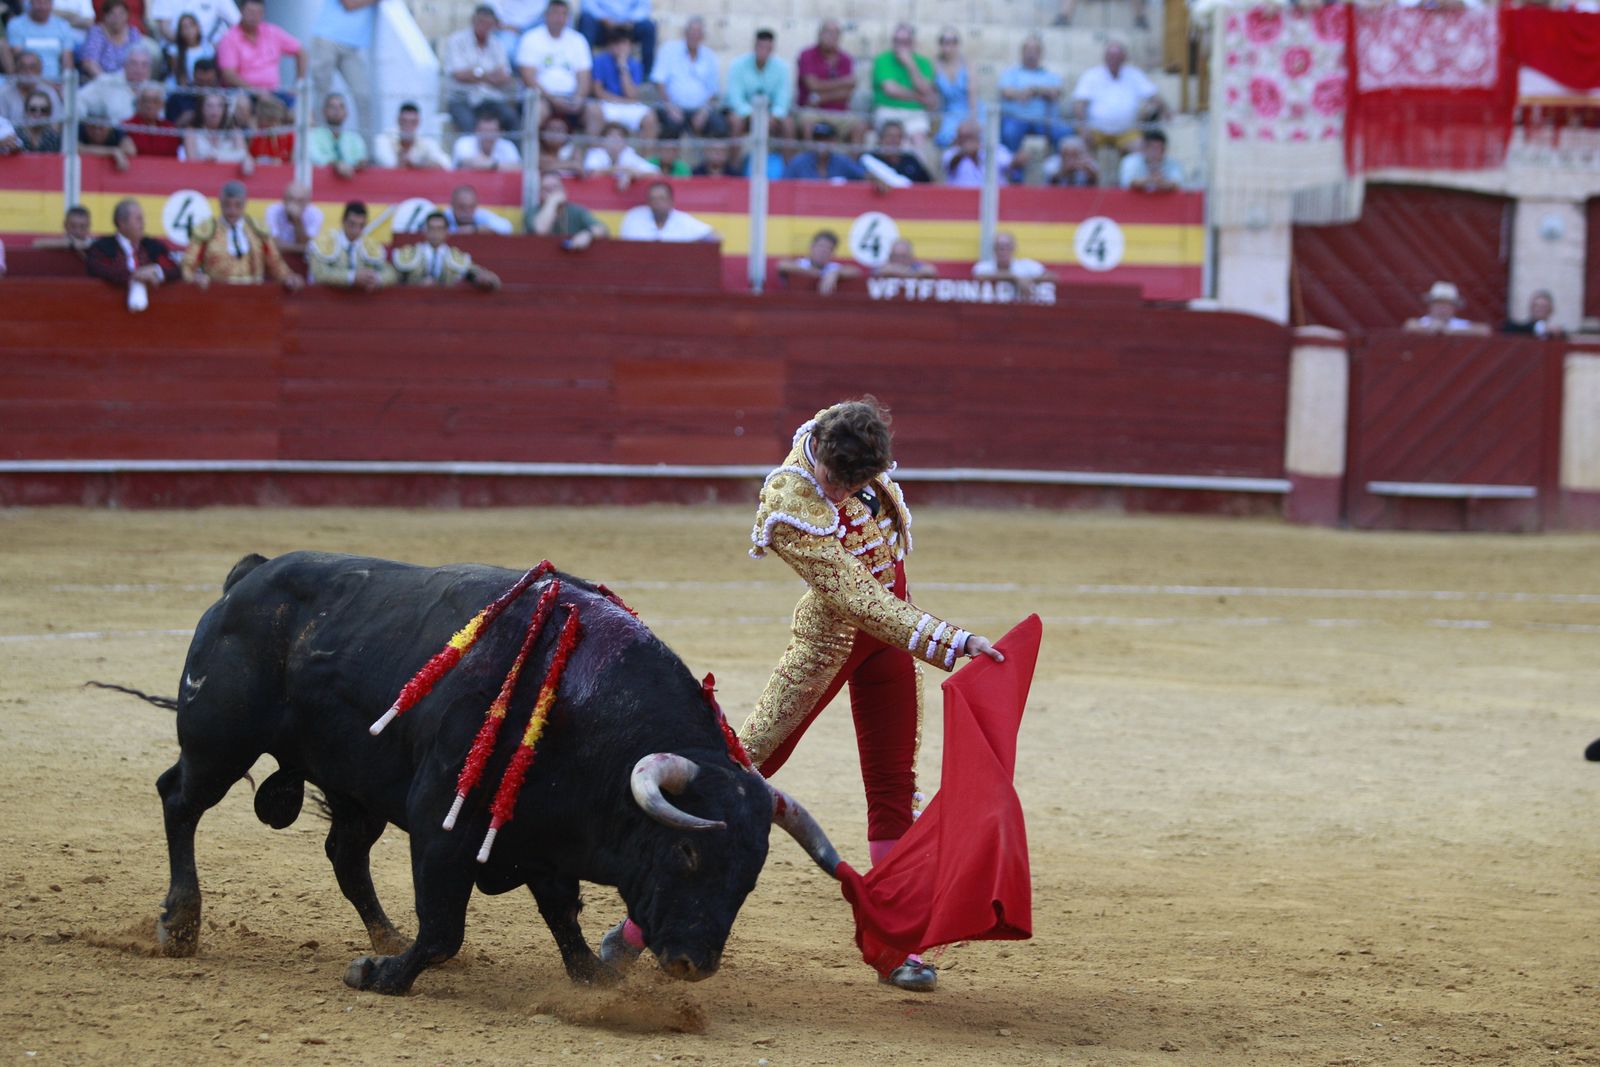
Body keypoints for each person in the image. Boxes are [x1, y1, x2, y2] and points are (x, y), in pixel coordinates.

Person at [598, 398, 1006, 992]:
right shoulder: (788, 504)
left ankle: (895, 949)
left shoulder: (856, 450)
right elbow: (858, 599)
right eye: (836, 481)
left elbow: (885, 582)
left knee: (892, 790)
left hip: (887, 640)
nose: (840, 493)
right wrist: (954, 641)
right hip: (829, 648)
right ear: (824, 459)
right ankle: (636, 928)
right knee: (739, 771)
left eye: (855, 483)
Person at [182, 178, 301, 289]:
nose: (232, 211)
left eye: (237, 205)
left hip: (253, 294)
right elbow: (187, 265)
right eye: (227, 205)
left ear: (245, 203)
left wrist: (288, 276)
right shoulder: (207, 230)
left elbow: (275, 263)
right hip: (217, 294)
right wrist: (195, 278)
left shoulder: (257, 230)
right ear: (220, 203)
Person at [1072, 40, 1165, 155]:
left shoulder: (1135, 75)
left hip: (1127, 132)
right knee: (1076, 150)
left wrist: (1165, 111)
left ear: (1124, 59)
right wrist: (1083, 128)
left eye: (1117, 57)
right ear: (1105, 58)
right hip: (1096, 131)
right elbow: (1079, 104)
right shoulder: (1091, 75)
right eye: (1111, 57)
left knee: (1144, 151)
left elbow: (1153, 96)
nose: (1114, 60)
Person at [85, 197, 181, 304]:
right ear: (122, 223)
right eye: (138, 219)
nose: (143, 223)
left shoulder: (153, 246)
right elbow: (98, 269)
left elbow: (176, 269)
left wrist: (156, 270)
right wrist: (135, 275)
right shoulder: (103, 247)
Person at [442, 4, 519, 134]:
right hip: (462, 98)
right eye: (481, 22)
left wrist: (475, 73)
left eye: (488, 23)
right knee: (468, 126)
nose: (484, 26)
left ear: (494, 25)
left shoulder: (497, 44)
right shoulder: (456, 41)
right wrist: (489, 75)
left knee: (512, 120)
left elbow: (504, 77)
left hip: (490, 98)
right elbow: (459, 75)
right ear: (473, 20)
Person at [516, 0, 590, 131]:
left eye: (563, 14)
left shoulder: (579, 40)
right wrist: (553, 99)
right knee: (537, 110)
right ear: (546, 15)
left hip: (571, 98)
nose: (559, 19)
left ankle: (588, 151)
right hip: (542, 98)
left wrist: (578, 100)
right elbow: (528, 78)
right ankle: (530, 151)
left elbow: (584, 76)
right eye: (555, 14)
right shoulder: (531, 38)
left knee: (594, 112)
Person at [308, 0, 376, 140]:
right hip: (326, 40)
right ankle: (321, 145)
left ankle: (365, 152)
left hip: (353, 46)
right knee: (322, 95)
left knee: (363, 96)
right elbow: (349, 4)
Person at [650, 14, 723, 139]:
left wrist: (703, 112)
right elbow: (659, 82)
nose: (694, 35)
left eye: (698, 32)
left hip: (700, 110)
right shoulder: (669, 49)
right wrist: (670, 108)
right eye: (691, 31)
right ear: (684, 32)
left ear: (703, 36)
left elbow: (713, 91)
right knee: (672, 126)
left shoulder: (710, 56)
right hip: (671, 108)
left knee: (720, 127)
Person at [997, 34, 1071, 153]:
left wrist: (1033, 91)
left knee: (1065, 134)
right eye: (1028, 50)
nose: (1031, 54)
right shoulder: (1010, 73)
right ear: (1022, 52)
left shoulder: (1050, 76)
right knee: (1008, 133)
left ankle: (1055, 169)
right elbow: (1006, 92)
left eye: (1035, 50)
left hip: (1044, 122)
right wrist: (1037, 93)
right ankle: (1012, 170)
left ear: (1041, 54)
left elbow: (1056, 92)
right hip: (1016, 119)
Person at [393, 209, 501, 289]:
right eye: (431, 228)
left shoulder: (457, 257)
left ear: (447, 232)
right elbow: (392, 274)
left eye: (439, 228)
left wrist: (488, 280)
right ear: (424, 231)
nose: (435, 233)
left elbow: (474, 273)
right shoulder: (409, 254)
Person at [585, 24, 658, 140]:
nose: (620, 48)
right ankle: (595, 154)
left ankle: (645, 158)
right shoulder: (600, 61)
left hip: (628, 106)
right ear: (610, 45)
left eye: (623, 43)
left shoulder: (635, 65)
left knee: (650, 117)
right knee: (593, 110)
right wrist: (621, 101)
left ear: (629, 45)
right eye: (616, 44)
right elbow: (598, 91)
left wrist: (623, 67)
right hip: (608, 104)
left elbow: (632, 94)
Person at [217, 0, 304, 93]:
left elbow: (300, 51)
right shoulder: (230, 38)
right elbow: (228, 75)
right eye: (250, 12)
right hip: (244, 93)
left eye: (258, 13)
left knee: (292, 101)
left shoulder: (272, 32)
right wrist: (255, 92)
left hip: (274, 91)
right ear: (241, 11)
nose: (254, 16)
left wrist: (298, 84)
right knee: (243, 104)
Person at [870, 22, 937, 143]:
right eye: (897, 41)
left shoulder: (924, 63)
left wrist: (910, 65)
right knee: (892, 138)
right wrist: (919, 98)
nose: (900, 46)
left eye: (905, 42)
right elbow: (891, 89)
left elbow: (925, 89)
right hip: (888, 109)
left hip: (914, 112)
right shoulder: (882, 59)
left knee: (919, 141)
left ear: (912, 43)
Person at [795, 18, 859, 143]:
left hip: (839, 113)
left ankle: (852, 163)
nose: (832, 36)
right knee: (807, 123)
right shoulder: (807, 54)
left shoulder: (846, 59)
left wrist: (820, 97)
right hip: (812, 112)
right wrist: (843, 82)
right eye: (828, 32)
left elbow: (847, 93)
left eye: (835, 33)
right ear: (819, 34)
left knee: (859, 126)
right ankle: (809, 162)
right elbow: (812, 85)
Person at [725, 28, 793, 140]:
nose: (763, 51)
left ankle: (790, 158)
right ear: (754, 46)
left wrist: (774, 116)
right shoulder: (738, 65)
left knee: (788, 124)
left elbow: (783, 98)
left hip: (770, 115)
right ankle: (734, 158)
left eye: (767, 48)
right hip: (744, 114)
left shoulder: (782, 68)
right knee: (736, 122)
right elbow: (735, 98)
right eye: (760, 47)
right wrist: (753, 116)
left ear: (772, 48)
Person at [307, 199, 391, 289]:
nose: (356, 231)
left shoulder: (370, 246)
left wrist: (376, 279)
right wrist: (351, 277)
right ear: (343, 221)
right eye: (352, 224)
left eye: (361, 226)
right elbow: (319, 273)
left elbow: (390, 272)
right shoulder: (326, 242)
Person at [575, 0, 653, 80]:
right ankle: (587, 72)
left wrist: (631, 20)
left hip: (629, 26)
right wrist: (604, 19)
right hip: (602, 25)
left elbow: (644, 7)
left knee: (648, 27)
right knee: (586, 20)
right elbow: (587, 5)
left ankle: (646, 75)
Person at [618, 179, 714, 241]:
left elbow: (714, 237)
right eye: (653, 199)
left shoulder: (683, 220)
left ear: (671, 201)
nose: (657, 202)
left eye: (662, 198)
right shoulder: (634, 217)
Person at [78, 46, 152, 123]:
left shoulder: (154, 91)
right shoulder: (107, 83)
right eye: (134, 63)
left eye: (144, 65)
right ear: (125, 65)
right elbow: (79, 99)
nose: (139, 69)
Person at [6, 0, 76, 81]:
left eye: (46, 3)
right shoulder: (16, 25)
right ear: (30, 3)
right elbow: (19, 58)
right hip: (27, 82)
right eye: (38, 3)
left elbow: (67, 60)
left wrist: (66, 81)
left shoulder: (63, 26)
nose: (42, 7)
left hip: (55, 82)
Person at [973, 231, 1056, 298]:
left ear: (1013, 248)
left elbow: (1051, 276)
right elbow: (980, 275)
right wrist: (1015, 278)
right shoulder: (983, 266)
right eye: (999, 247)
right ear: (994, 249)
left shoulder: (1025, 265)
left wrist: (1029, 280)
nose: (1003, 251)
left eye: (1006, 247)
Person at [778, 229, 862, 294]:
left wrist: (835, 273)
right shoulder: (802, 263)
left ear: (832, 253)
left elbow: (856, 271)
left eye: (828, 248)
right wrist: (813, 273)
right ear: (812, 247)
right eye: (820, 246)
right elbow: (782, 265)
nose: (823, 251)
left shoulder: (832, 268)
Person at [374, 101, 450, 169]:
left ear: (418, 122)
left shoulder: (426, 142)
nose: (408, 126)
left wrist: (422, 164)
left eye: (413, 122)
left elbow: (446, 164)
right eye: (404, 121)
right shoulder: (384, 139)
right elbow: (388, 164)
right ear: (398, 121)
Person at [582, 119, 658, 187]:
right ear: (603, 140)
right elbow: (593, 172)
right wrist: (623, 169)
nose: (615, 140)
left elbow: (654, 172)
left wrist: (631, 175)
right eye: (611, 136)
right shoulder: (596, 153)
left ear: (625, 141)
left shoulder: (629, 154)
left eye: (619, 136)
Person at [79, 0, 142, 79]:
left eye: (121, 14)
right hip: (100, 80)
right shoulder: (96, 32)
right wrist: (106, 80)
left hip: (128, 80)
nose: (117, 18)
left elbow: (139, 59)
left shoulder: (133, 33)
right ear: (105, 16)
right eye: (113, 14)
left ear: (127, 15)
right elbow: (89, 62)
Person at [308, 90, 366, 176]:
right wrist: (337, 165)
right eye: (332, 107)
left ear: (346, 113)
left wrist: (357, 164)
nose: (337, 110)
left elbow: (361, 159)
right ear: (324, 111)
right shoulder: (313, 136)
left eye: (341, 107)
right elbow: (316, 158)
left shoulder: (355, 138)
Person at [942, 116, 1011, 188]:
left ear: (978, 135)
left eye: (970, 136)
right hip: (959, 196)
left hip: (994, 196)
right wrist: (964, 153)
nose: (967, 141)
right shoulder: (950, 153)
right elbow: (949, 164)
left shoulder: (995, 149)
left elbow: (1010, 165)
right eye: (963, 136)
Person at [783, 120, 864, 181]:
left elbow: (863, 176)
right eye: (818, 139)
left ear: (833, 141)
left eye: (826, 139)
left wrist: (873, 178)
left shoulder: (843, 162)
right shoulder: (798, 162)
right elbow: (783, 184)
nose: (821, 143)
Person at [181, 89, 248, 162]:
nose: (214, 110)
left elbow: (245, 157)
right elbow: (191, 161)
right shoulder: (191, 132)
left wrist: (217, 157)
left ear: (224, 109)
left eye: (219, 106)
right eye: (209, 105)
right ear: (201, 109)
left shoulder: (234, 131)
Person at [931, 27, 971, 148]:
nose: (949, 45)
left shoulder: (967, 65)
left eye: (953, 41)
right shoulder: (935, 65)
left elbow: (973, 95)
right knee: (945, 137)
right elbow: (934, 95)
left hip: (970, 110)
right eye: (945, 41)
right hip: (950, 112)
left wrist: (973, 119)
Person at [0, 51, 61, 126]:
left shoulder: (49, 92)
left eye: (32, 68)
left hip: (45, 136)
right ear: (16, 70)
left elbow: (56, 123)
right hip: (11, 136)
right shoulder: (3, 93)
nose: (27, 72)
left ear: (40, 70)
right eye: (23, 67)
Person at [1404, 281, 1489, 335]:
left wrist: (1451, 331)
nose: (1442, 309)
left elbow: (1485, 330)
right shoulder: (1424, 322)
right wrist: (1429, 329)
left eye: (1447, 305)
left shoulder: (1458, 324)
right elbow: (1409, 326)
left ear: (1454, 308)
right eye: (1439, 304)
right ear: (1431, 305)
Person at [451, 105, 519, 170]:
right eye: (484, 131)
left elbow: (518, 167)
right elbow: (466, 161)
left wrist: (491, 164)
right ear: (476, 131)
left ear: (500, 132)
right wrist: (497, 165)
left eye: (492, 131)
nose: (488, 136)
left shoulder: (508, 146)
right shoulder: (463, 142)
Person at [863, 119, 930, 183]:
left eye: (898, 136)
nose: (893, 140)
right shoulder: (869, 159)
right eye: (889, 136)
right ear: (881, 138)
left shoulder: (910, 159)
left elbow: (929, 184)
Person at [264, 179, 321, 253]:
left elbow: (306, 244)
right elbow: (273, 243)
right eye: (290, 199)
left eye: (300, 200)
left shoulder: (315, 214)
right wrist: (301, 248)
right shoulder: (273, 211)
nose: (294, 204)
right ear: (284, 199)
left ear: (307, 202)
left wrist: (297, 220)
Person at [125, 82, 180, 157]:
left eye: (155, 101)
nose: (149, 105)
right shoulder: (126, 127)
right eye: (145, 100)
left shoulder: (170, 129)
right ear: (138, 102)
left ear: (162, 104)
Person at [150, 0, 237, 46]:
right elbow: (164, 28)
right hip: (177, 47)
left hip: (212, 49)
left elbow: (237, 22)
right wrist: (190, 43)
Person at [165, 13, 215, 92]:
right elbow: (178, 75)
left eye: (191, 26)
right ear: (180, 31)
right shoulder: (174, 50)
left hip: (203, 87)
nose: (188, 30)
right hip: (181, 89)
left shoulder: (207, 49)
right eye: (184, 27)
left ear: (198, 27)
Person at [78, 103, 135, 170]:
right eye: (92, 127)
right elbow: (76, 149)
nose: (97, 131)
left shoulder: (115, 132)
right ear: (86, 125)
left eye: (101, 127)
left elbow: (130, 150)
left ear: (109, 127)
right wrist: (112, 151)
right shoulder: (79, 129)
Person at [446, 182, 513, 235]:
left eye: (471, 207)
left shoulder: (480, 214)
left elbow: (507, 227)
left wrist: (475, 229)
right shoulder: (445, 217)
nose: (467, 211)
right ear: (452, 205)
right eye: (462, 207)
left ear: (476, 205)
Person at [246, 91, 294, 162]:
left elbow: (292, 162)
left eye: (276, 120)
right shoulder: (255, 137)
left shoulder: (289, 136)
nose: (273, 124)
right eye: (269, 120)